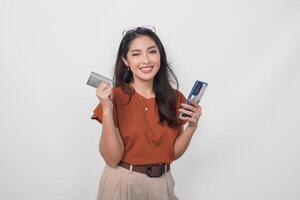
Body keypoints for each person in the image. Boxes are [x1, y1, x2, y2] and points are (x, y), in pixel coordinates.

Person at [91, 26, 202, 200]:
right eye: (136, 54)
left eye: (152, 52)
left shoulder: (174, 98)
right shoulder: (115, 97)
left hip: (162, 184)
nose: (146, 60)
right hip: (122, 183)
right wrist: (107, 108)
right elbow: (112, 158)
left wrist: (192, 127)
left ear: (160, 56)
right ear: (126, 61)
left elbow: (171, 153)